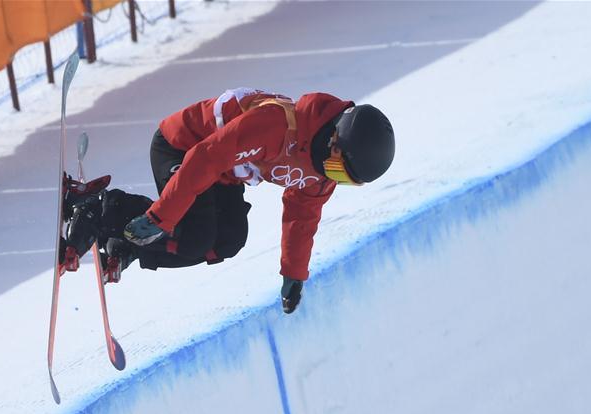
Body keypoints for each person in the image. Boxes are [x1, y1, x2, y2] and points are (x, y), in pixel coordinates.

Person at [61, 87, 395, 314]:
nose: (331, 177)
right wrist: (162, 218)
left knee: (227, 241)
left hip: (223, 173)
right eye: (337, 169)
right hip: (182, 148)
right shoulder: (277, 126)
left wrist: (295, 273)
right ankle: (101, 208)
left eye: (343, 179)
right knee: (194, 236)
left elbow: (303, 213)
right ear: (335, 138)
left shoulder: (322, 169)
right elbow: (204, 158)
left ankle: (129, 243)